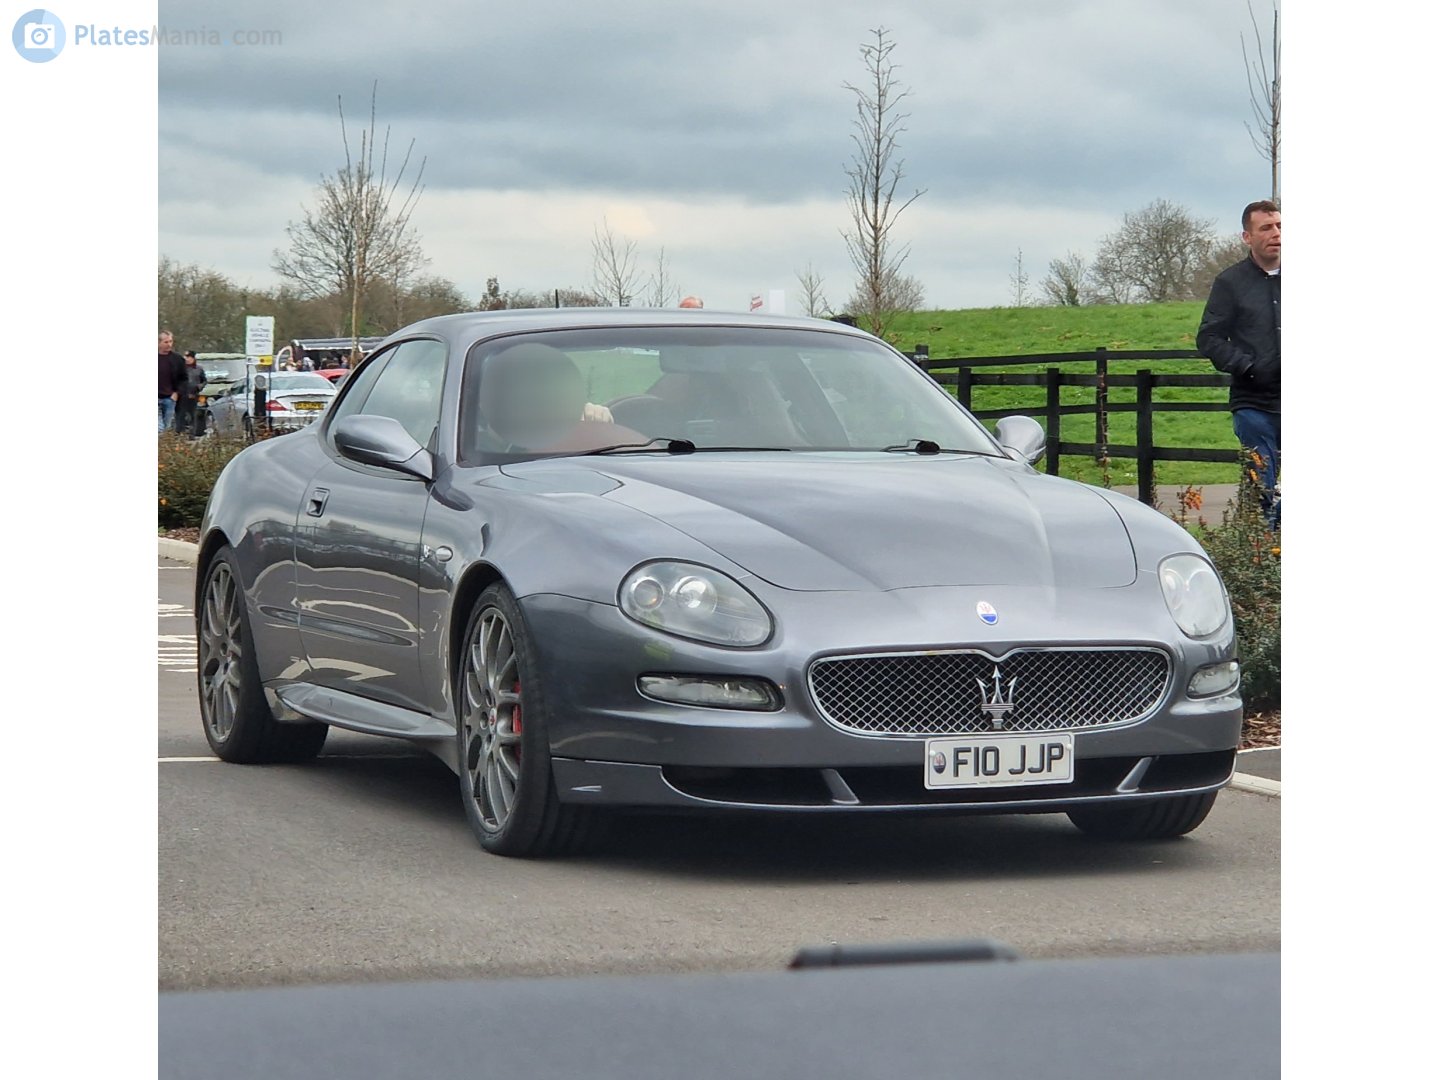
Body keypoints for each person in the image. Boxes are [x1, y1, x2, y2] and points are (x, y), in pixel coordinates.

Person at [1197, 199, 1281, 529]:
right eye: (1266, 228)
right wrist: (1248, 366)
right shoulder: (1230, 283)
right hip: (1255, 405)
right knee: (1262, 487)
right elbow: (1209, 338)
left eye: (1280, 226)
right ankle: (1261, 559)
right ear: (1247, 237)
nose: (1276, 233)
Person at [174, 350, 208, 436]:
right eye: (186, 357)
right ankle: (179, 433)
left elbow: (204, 381)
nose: (187, 359)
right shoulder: (180, 368)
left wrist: (199, 387)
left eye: (189, 357)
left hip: (193, 395)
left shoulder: (199, 369)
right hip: (181, 396)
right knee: (180, 415)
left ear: (193, 358)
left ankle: (192, 434)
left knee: (192, 415)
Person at [158, 331, 186, 433]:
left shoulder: (177, 359)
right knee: (158, 427)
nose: (169, 344)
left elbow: (184, 378)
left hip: (170, 398)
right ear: (159, 343)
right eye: (166, 342)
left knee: (167, 426)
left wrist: (177, 393)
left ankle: (163, 446)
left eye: (170, 341)